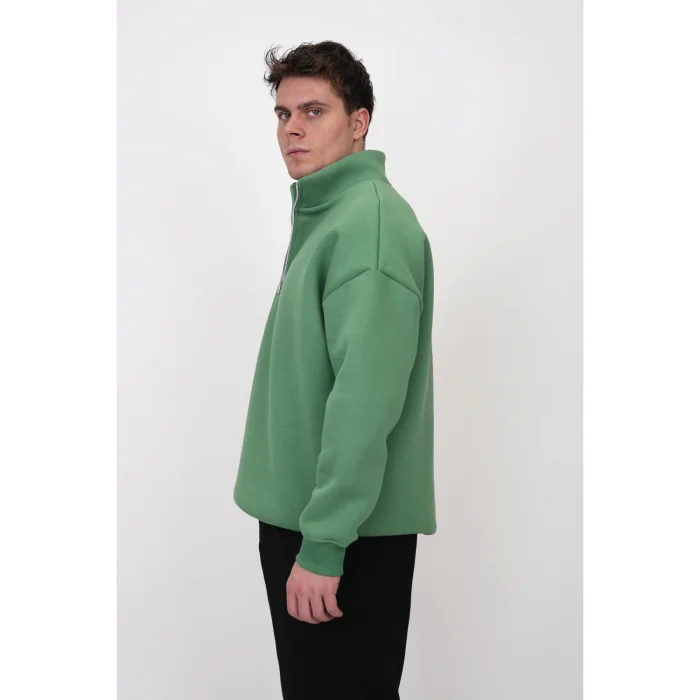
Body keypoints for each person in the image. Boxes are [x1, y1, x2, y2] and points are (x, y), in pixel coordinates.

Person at [233, 40, 436, 700]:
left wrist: (323, 545)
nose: (292, 128)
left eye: (314, 111)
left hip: (341, 536)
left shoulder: (368, 225)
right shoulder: (330, 216)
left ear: (359, 122)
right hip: (316, 520)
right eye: (283, 113)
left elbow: (365, 402)